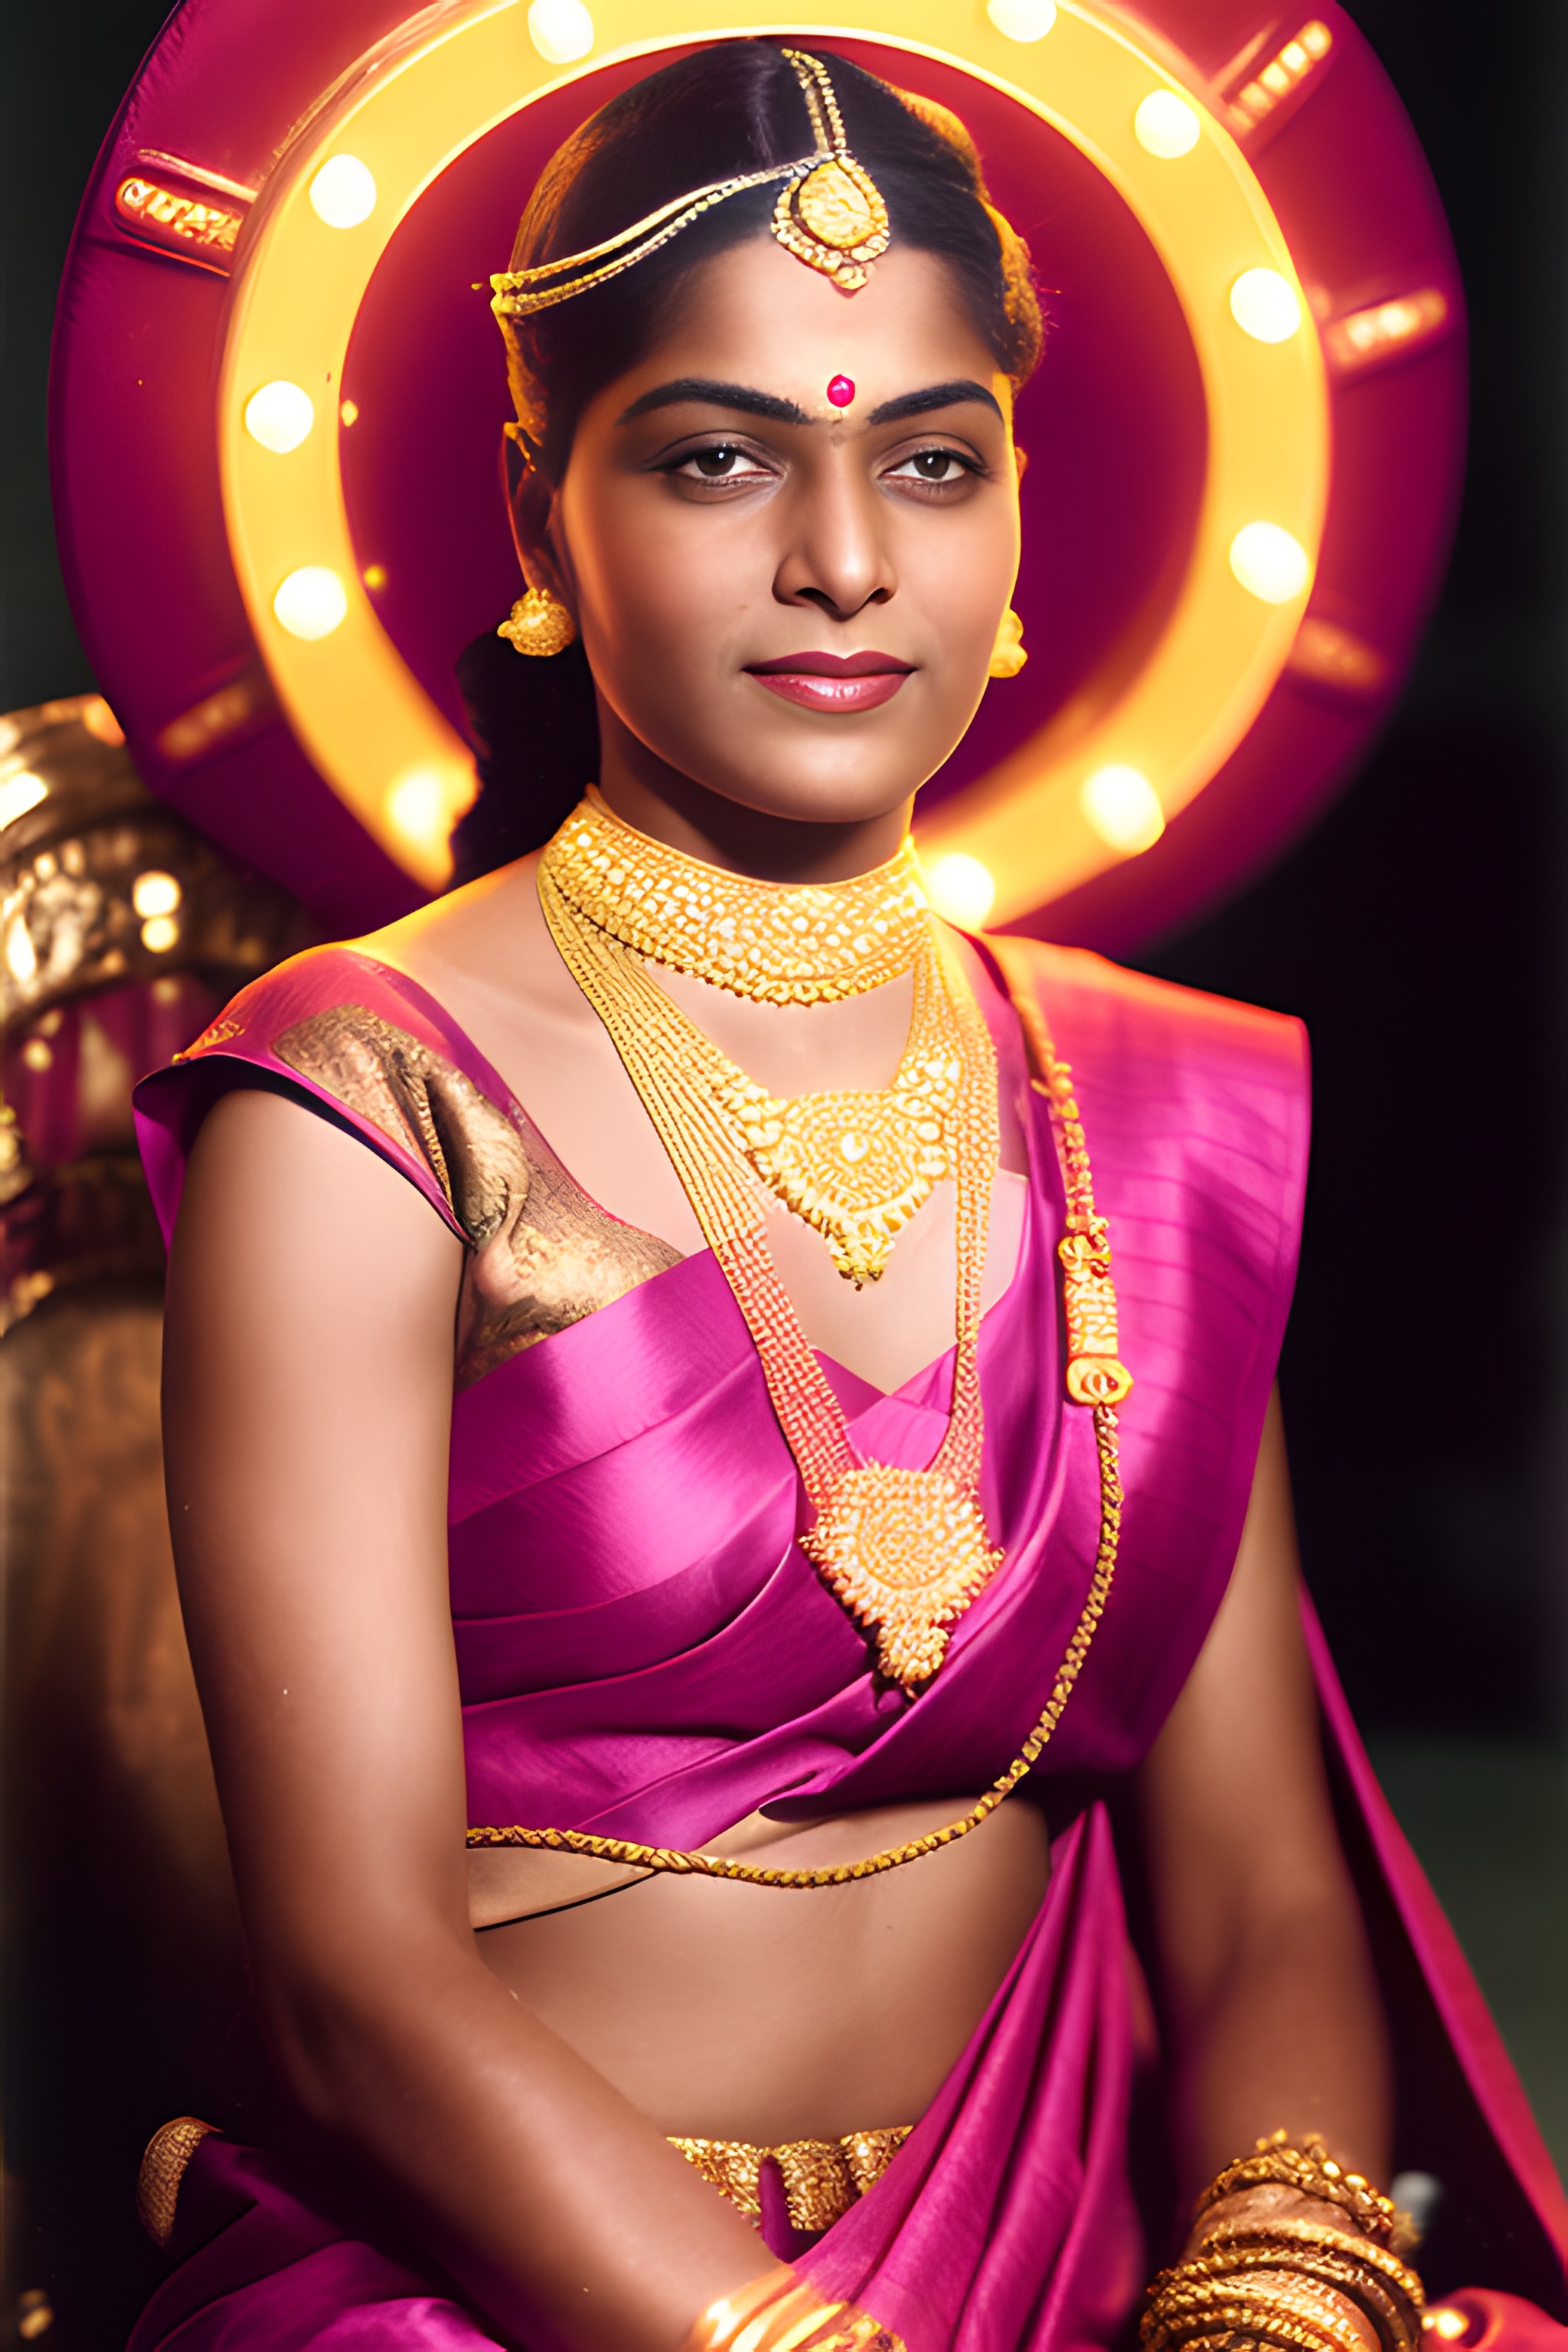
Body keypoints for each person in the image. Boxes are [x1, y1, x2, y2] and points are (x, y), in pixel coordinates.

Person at [129, 39, 1563, 2352]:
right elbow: (354, 1991)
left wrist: (1273, 2293)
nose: (845, 564)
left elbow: (1260, 1908)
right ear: (533, 519)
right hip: (513, 2292)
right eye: (720, 461)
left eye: (930, 461)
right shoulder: (363, 1099)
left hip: (1076, 2254)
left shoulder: (1143, 1106)